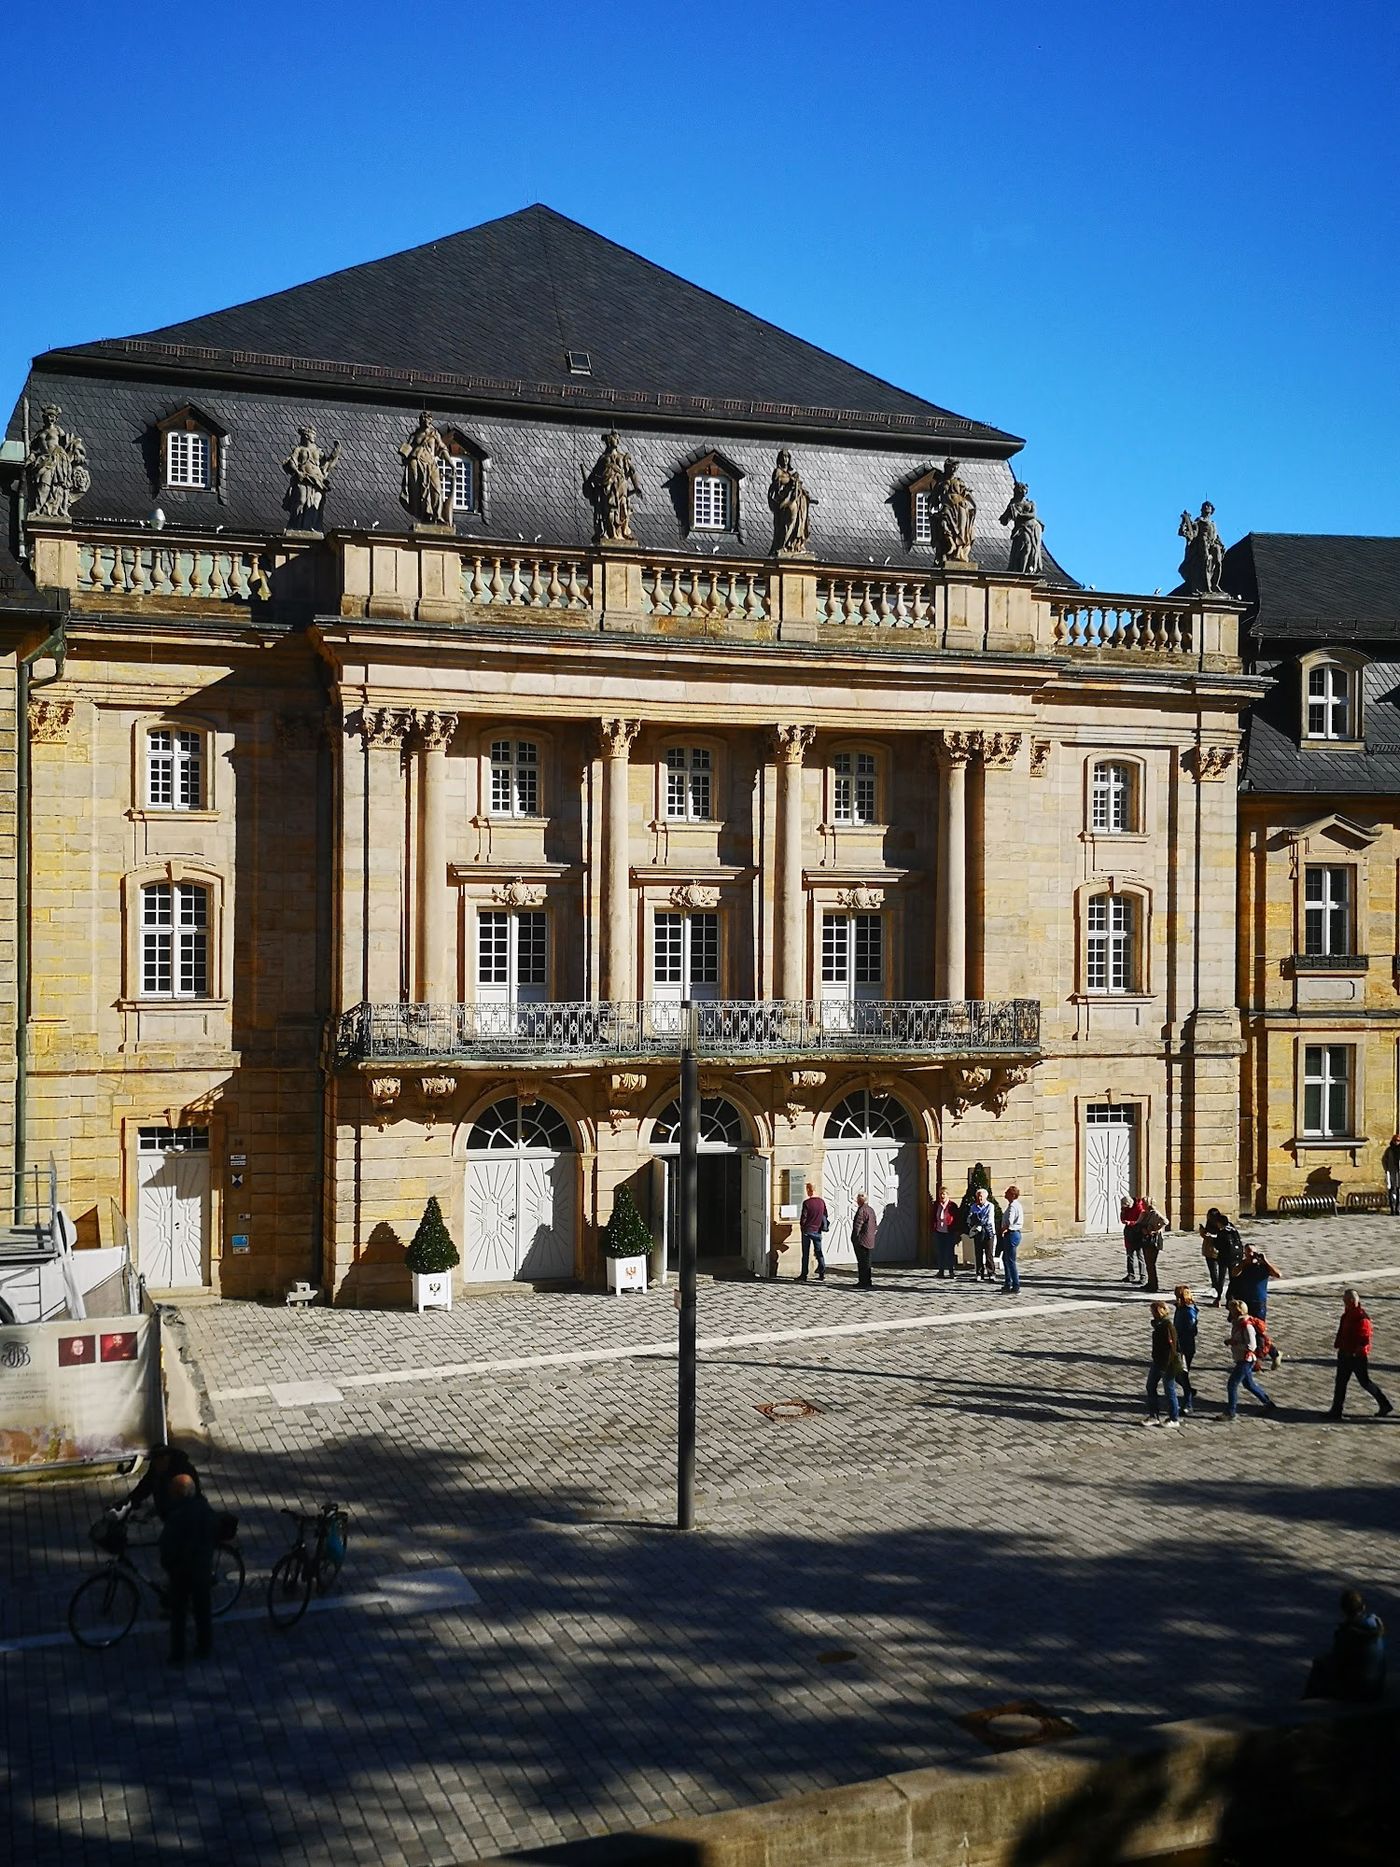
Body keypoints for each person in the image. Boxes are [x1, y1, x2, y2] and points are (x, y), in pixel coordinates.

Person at [158, 1472, 217, 1664]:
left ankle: (178, 1655)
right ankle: (204, 1646)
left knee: (179, 1615)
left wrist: (168, 1565)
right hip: (201, 1568)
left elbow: (167, 1546)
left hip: (181, 1572)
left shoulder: (176, 1515)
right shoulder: (203, 1507)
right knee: (202, 1610)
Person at [1304, 1589, 1388, 1703]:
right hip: (1377, 1686)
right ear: (1363, 1607)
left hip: (1360, 1690)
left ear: (1343, 1611)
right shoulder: (1376, 1625)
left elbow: (1338, 1662)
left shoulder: (1347, 1633)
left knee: (1319, 1666)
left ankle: (1306, 1703)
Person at [1328, 1288, 1394, 1420]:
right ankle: (1336, 1410)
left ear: (1352, 1301)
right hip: (1345, 1353)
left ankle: (1384, 1404)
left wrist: (1354, 1352)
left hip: (1355, 1357)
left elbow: (1364, 1339)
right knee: (1340, 1382)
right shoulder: (1349, 1314)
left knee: (1365, 1382)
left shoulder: (1361, 1319)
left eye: (1345, 1300)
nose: (1343, 1302)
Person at [1225, 1298, 1279, 1420]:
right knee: (1249, 1384)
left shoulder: (1246, 1325)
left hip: (1246, 1359)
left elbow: (1251, 1346)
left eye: (1231, 1311)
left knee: (1232, 1384)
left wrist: (1234, 1343)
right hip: (1242, 1359)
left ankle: (1230, 1412)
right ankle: (1268, 1403)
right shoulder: (1238, 1323)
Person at [1231, 1243, 1282, 1366]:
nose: (1251, 1255)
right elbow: (1234, 1273)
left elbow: (1278, 1274)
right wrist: (1244, 1263)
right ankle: (1259, 1358)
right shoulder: (1243, 1266)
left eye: (1253, 1252)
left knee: (1259, 1332)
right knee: (1246, 1331)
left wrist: (1266, 1261)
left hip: (1258, 1303)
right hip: (1244, 1304)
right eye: (1248, 1252)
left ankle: (1265, 1356)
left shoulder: (1263, 1266)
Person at [126, 1443, 201, 1522]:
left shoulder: (184, 1470)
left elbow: (189, 1497)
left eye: (158, 1463)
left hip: (184, 1514)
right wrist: (130, 1500)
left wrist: (154, 1512)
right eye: (154, 1463)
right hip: (168, 1512)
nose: (156, 1466)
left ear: (165, 1459)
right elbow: (146, 1485)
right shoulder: (157, 1466)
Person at [1144, 1301, 1184, 1427]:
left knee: (1169, 1390)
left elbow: (1171, 1348)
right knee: (1150, 1386)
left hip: (1167, 1364)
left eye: (1154, 1311)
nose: (1152, 1313)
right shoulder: (1159, 1325)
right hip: (1157, 1362)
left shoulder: (1167, 1327)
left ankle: (1174, 1418)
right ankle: (1153, 1415)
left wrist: (1165, 1366)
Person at [1199, 1208, 1244, 1306]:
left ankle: (1219, 1298)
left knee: (1221, 1278)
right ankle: (1230, 1298)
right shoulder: (1232, 1228)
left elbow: (1218, 1245)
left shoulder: (1222, 1232)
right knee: (1233, 1278)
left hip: (1224, 1258)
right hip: (1235, 1257)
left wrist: (1210, 1237)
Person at [1173, 1285, 1199, 1415]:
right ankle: (1189, 1391)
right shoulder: (1181, 1308)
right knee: (1177, 1375)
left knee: (1183, 1375)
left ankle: (1188, 1402)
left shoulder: (1188, 1312)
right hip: (1178, 1346)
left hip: (1185, 1348)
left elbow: (1192, 1330)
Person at [798, 1182, 828, 1283]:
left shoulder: (807, 1203)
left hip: (807, 1230)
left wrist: (802, 1227)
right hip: (817, 1230)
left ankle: (804, 1274)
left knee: (805, 1253)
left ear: (808, 1190)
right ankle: (822, 1273)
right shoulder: (821, 1202)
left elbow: (804, 1218)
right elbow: (825, 1215)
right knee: (819, 1252)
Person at [967, 1187, 997, 1283]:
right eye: (978, 1196)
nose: (980, 1198)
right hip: (978, 1232)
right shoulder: (973, 1207)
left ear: (986, 1197)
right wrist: (975, 1220)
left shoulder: (990, 1206)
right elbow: (970, 1218)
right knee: (978, 1253)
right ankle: (979, 1273)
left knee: (989, 1254)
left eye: (981, 1197)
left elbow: (989, 1219)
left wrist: (978, 1220)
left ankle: (991, 1273)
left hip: (988, 1232)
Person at [999, 1185, 1024, 1295]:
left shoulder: (1013, 1206)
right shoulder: (1015, 1205)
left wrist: (1002, 1230)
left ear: (1012, 1195)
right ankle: (1007, 1283)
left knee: (1010, 1260)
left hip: (1012, 1234)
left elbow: (1009, 1221)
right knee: (1005, 1258)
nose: (1005, 1193)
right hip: (1014, 1234)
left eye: (1007, 1192)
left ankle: (1016, 1285)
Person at [850, 1191, 877, 1289]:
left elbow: (857, 1226)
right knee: (867, 1262)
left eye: (857, 1199)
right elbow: (875, 1224)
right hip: (870, 1239)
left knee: (862, 1262)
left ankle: (862, 1282)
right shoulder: (871, 1210)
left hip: (862, 1240)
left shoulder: (861, 1210)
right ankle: (868, 1281)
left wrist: (854, 1238)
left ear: (859, 1200)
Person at [932, 1186, 960, 1279]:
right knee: (940, 1252)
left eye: (944, 1194)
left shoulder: (952, 1205)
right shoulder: (936, 1205)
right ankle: (941, 1271)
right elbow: (933, 1217)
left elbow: (956, 1219)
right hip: (939, 1231)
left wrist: (956, 1232)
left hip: (949, 1232)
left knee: (949, 1252)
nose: (942, 1196)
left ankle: (951, 1271)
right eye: (940, 1194)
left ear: (947, 1195)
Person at [1139, 1199, 1167, 1293]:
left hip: (1153, 1241)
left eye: (1143, 1203)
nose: (1141, 1204)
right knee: (1148, 1263)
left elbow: (1165, 1221)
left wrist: (1156, 1230)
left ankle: (1154, 1285)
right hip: (1145, 1240)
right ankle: (1150, 1282)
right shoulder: (1145, 1213)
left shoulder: (1155, 1213)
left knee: (1151, 1264)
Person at [1120, 1193, 1148, 1284]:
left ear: (1130, 1204)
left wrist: (1130, 1222)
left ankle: (1143, 1276)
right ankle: (1130, 1275)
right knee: (1129, 1256)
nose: (1126, 1208)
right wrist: (1123, 1212)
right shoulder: (1126, 1209)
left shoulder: (1139, 1208)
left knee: (1140, 1256)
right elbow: (1122, 1219)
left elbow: (1140, 1221)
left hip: (1137, 1234)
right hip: (1129, 1233)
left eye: (1126, 1206)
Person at [1384, 1133, 1400, 1216]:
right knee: (1391, 1189)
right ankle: (1392, 1209)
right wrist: (1386, 1169)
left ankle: (1398, 1209)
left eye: (1398, 1141)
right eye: (1395, 1140)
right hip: (1392, 1172)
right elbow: (1384, 1160)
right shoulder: (1389, 1150)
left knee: (1399, 1191)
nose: (1396, 1142)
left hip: (1399, 1172)